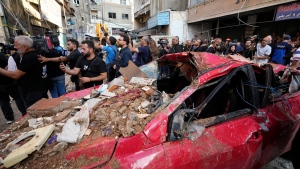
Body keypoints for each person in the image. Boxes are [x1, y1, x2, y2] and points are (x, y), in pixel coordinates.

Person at [0, 36, 48, 108]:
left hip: (33, 92)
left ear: (25, 47)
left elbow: (16, 75)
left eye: (16, 45)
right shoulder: (36, 53)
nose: (14, 47)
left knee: (36, 111)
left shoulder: (29, 57)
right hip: (38, 89)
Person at [0, 50, 27, 124]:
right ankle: (24, 113)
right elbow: (9, 65)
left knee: (4, 101)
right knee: (17, 98)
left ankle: (9, 118)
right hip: (9, 81)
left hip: (3, 83)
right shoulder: (2, 56)